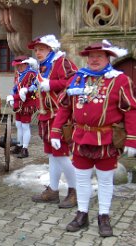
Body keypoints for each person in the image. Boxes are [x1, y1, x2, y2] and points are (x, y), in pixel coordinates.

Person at [50, 40, 136, 237]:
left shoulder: (120, 80)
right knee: (82, 179)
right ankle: (82, 213)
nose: (94, 59)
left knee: (105, 180)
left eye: (99, 56)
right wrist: (56, 131)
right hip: (80, 136)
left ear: (108, 58)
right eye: (91, 56)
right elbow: (64, 107)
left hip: (107, 138)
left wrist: (132, 138)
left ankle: (104, 216)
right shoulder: (77, 79)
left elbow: (131, 110)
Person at [25, 34, 78, 208]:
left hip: (59, 115)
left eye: (41, 49)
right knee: (52, 155)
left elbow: (75, 79)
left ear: (50, 49)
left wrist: (52, 84)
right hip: (46, 116)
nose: (38, 52)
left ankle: (75, 191)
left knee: (61, 154)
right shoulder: (42, 67)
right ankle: (53, 190)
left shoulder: (61, 62)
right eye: (36, 50)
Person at [6, 56, 38, 158]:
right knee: (18, 125)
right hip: (19, 102)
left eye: (20, 65)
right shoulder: (18, 74)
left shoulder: (32, 73)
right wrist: (12, 95)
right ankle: (19, 145)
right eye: (17, 66)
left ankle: (25, 149)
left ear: (26, 64)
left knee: (25, 126)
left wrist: (27, 90)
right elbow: (15, 87)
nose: (18, 67)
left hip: (28, 103)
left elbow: (36, 86)